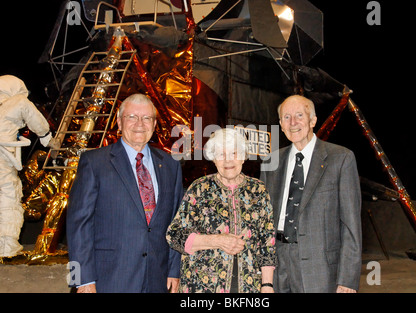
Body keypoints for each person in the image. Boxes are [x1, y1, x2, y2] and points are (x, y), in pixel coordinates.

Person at [66, 93, 183, 293]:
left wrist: (175, 270)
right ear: (119, 123)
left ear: (154, 124)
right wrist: (80, 279)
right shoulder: (94, 163)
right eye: (132, 117)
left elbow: (176, 221)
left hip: (157, 278)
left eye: (147, 118)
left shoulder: (171, 164)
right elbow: (78, 226)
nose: (140, 123)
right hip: (108, 280)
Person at [260, 95, 362, 293]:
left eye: (299, 115)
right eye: (286, 117)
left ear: (313, 120)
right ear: (280, 124)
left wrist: (347, 279)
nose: (293, 122)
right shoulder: (270, 162)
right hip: (277, 265)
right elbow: (264, 223)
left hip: (321, 269)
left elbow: (351, 226)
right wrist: (264, 277)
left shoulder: (341, 159)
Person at [166, 128, 277, 293]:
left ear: (243, 156)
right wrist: (216, 240)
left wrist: (267, 285)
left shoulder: (258, 190)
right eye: (221, 154)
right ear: (213, 159)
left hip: (248, 288)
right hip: (201, 287)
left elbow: (267, 242)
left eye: (234, 153)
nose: (228, 161)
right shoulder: (199, 189)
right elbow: (174, 235)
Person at [0, 75, 55, 258]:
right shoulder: (16, 101)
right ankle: (7, 247)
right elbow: (30, 112)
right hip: (2, 159)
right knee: (8, 197)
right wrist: (46, 135)